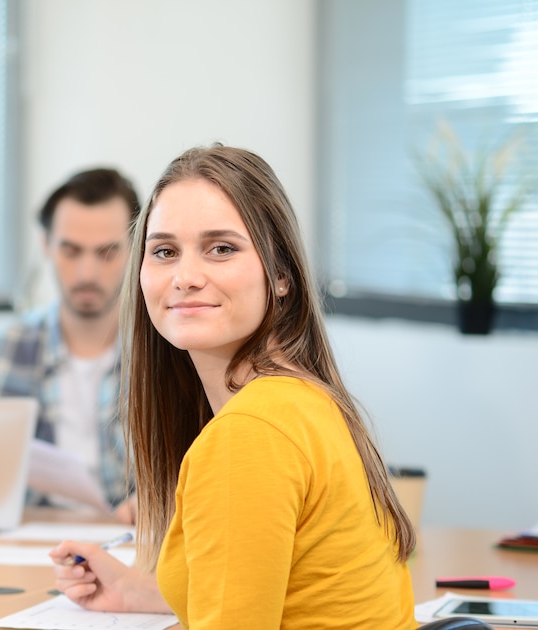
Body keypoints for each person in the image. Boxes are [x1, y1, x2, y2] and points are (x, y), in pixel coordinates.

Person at [50, 146, 416, 628]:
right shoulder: (302, 400)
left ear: (281, 275)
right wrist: (141, 589)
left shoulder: (249, 434)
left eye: (221, 248)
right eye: (164, 252)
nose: (185, 277)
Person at [0, 168, 140, 518]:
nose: (87, 274)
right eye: (71, 251)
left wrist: (163, 504)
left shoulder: (174, 359)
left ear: (137, 247)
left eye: (107, 252)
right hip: (24, 551)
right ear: (46, 245)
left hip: (133, 552)